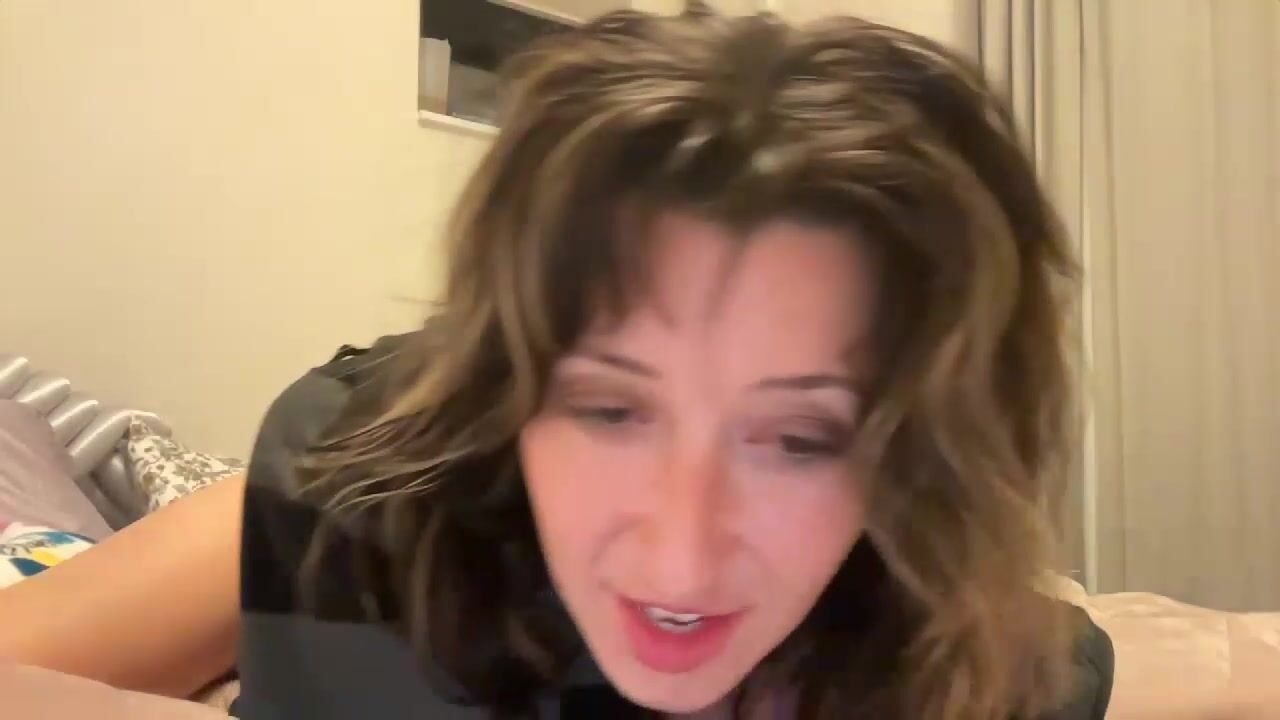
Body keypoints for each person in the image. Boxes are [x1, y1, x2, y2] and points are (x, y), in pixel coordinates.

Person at [2, 7, 1115, 719]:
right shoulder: (354, 498)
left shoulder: (1001, 668)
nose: (681, 555)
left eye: (799, 439)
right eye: (610, 410)